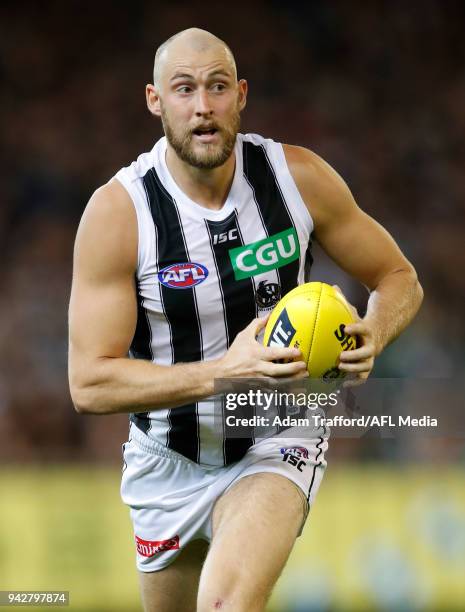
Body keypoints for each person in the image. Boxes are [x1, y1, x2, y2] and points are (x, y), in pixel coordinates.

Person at [68, 28, 423, 612]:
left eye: (217, 87)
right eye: (184, 90)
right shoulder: (118, 213)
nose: (203, 106)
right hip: (167, 460)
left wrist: (375, 333)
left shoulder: (298, 179)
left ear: (241, 95)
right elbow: (89, 382)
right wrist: (223, 373)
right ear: (156, 101)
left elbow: (399, 278)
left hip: (278, 434)